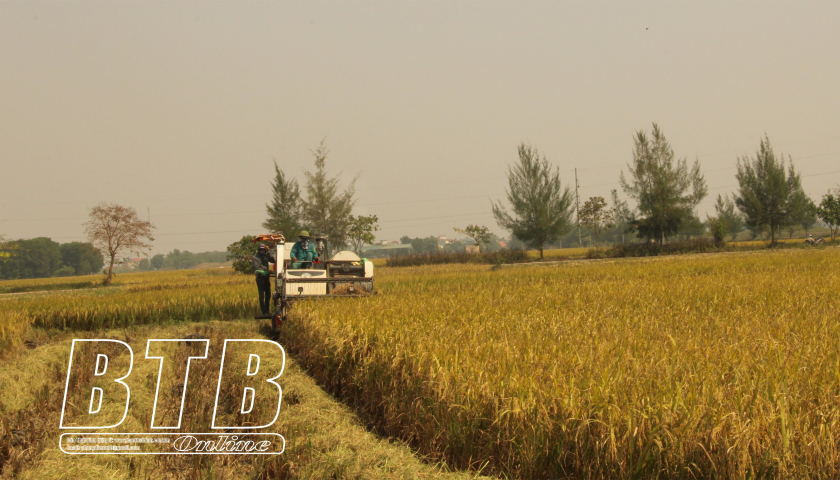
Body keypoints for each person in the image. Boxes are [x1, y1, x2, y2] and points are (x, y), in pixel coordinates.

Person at [252, 244, 275, 315]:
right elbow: (257, 268)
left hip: (266, 278)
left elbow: (273, 260)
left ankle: (267, 311)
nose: (261, 251)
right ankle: (264, 312)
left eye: (263, 250)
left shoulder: (266, 256)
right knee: (261, 296)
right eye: (260, 250)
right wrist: (267, 271)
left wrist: (268, 252)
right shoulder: (255, 257)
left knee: (268, 295)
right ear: (258, 250)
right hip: (260, 278)